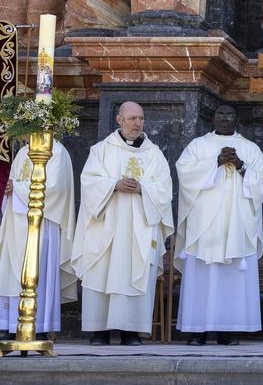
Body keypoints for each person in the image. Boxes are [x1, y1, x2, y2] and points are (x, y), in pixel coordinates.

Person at [72, 101, 174, 345]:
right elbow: (89, 183)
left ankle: (131, 331)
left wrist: (143, 188)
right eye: (132, 119)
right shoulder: (101, 150)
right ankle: (99, 331)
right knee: (102, 271)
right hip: (107, 226)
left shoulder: (154, 153)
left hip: (140, 227)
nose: (138, 123)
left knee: (135, 270)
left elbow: (164, 189)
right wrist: (113, 185)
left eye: (141, 118)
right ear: (119, 120)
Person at [174, 104, 263, 345]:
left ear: (236, 118)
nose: (225, 118)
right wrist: (214, 162)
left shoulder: (250, 148)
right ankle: (197, 331)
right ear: (213, 118)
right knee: (203, 276)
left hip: (236, 225)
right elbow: (184, 174)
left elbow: (262, 182)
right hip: (205, 224)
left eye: (230, 114)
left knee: (230, 279)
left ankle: (228, 330)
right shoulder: (198, 145)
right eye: (220, 114)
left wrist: (241, 166)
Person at [0, 137, 76, 340]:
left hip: (42, 220)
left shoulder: (57, 151)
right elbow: (15, 181)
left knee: (39, 271)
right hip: (16, 221)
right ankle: (9, 325)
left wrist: (17, 189)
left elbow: (56, 189)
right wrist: (10, 188)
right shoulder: (23, 153)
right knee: (10, 272)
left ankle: (39, 326)